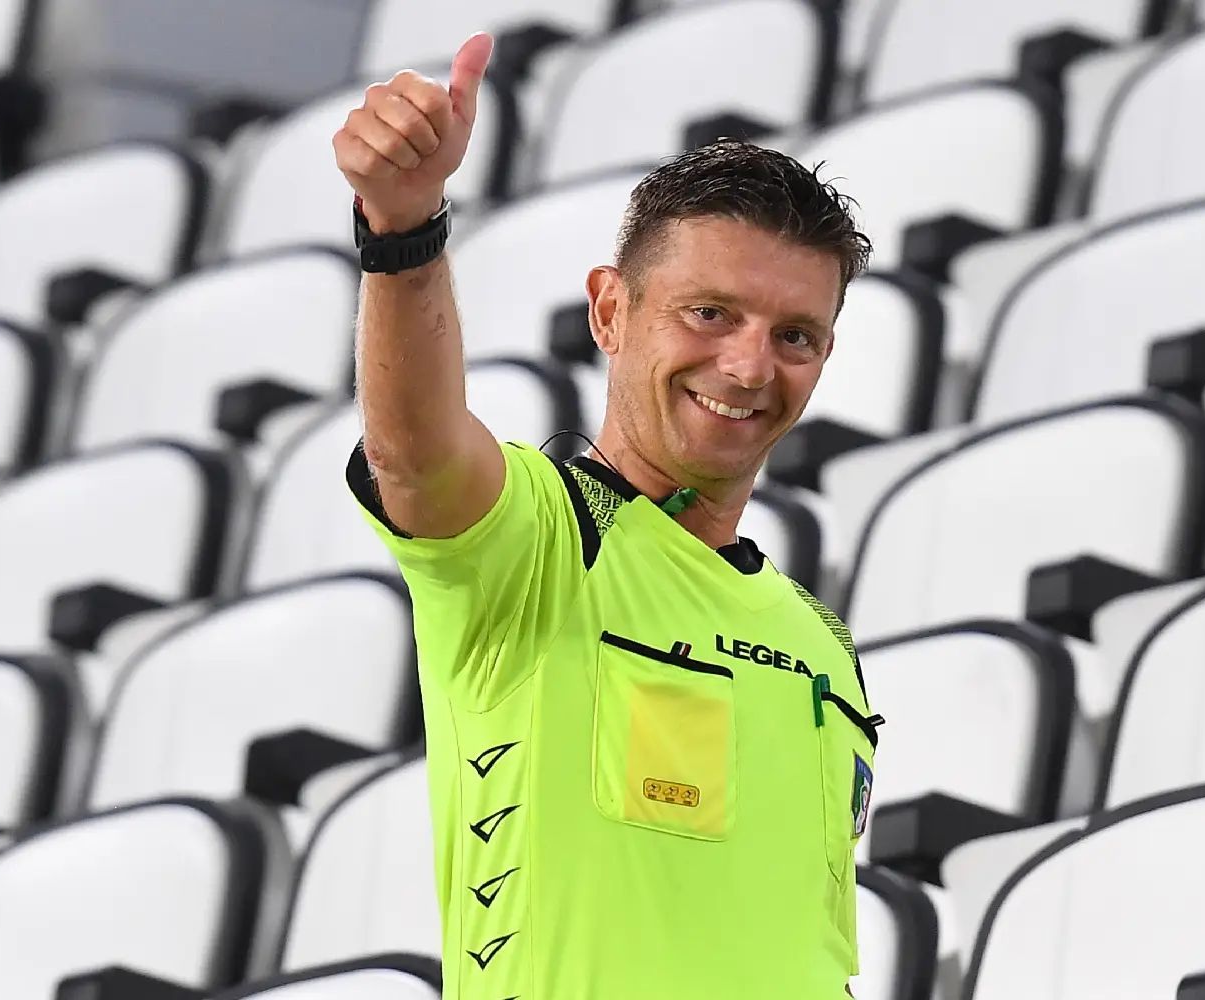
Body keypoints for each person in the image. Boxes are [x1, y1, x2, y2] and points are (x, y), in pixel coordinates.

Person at [336, 31, 881, 1000]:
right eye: (709, 314)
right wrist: (403, 225)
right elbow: (412, 452)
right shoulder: (540, 541)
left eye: (793, 334)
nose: (751, 367)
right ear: (609, 311)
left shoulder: (823, 643)